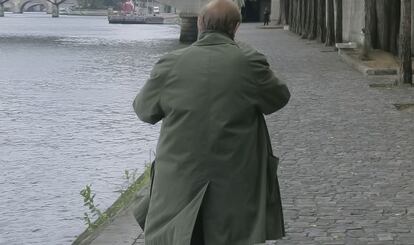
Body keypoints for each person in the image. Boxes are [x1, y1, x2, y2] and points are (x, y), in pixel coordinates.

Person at [132, 0, 290, 244]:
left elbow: (144, 110)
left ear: (199, 23)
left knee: (179, 234)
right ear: (236, 27)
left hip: (179, 178)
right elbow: (278, 98)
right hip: (235, 179)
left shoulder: (170, 63)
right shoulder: (249, 62)